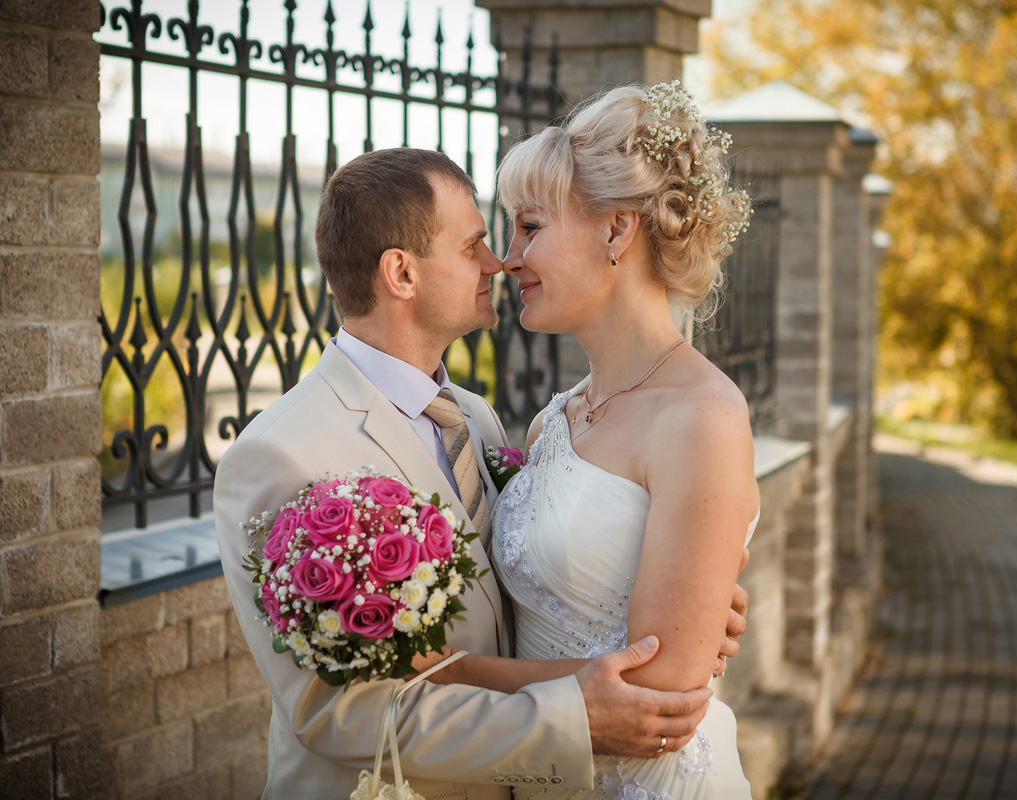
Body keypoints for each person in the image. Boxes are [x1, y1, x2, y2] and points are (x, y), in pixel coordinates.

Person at [212, 146, 749, 800]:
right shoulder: (281, 452)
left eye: (519, 232)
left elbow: (526, 586)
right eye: (474, 247)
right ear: (402, 274)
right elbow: (332, 712)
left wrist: (678, 591)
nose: (500, 261)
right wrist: (577, 706)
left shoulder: (475, 420)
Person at [417, 83, 759, 798]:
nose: (507, 259)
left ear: (616, 231)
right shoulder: (551, 425)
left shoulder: (703, 418)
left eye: (530, 227)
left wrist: (443, 668)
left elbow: (654, 701)